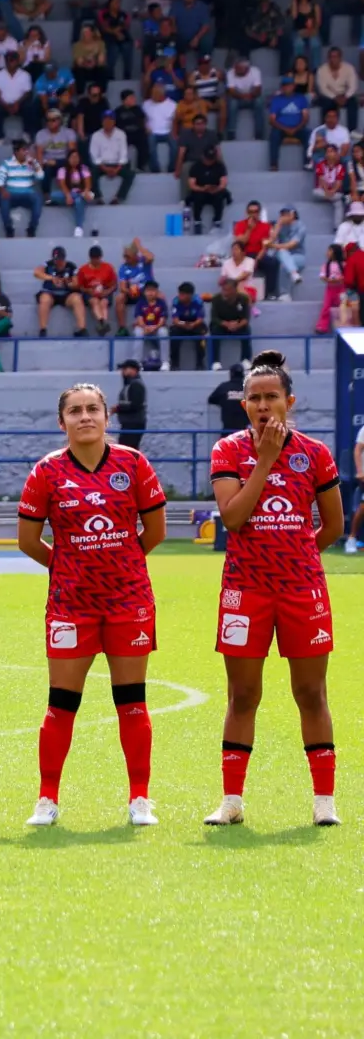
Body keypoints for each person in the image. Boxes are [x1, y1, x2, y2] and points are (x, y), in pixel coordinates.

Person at [16, 384, 168, 828]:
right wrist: (68, 566)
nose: (85, 417)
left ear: (107, 417)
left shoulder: (133, 464)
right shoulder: (46, 472)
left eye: (93, 409)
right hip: (70, 606)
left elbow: (154, 532)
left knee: (132, 702)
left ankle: (140, 798)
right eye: (75, 411)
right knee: (61, 704)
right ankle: (47, 799)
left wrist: (119, 564)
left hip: (129, 602)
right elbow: (28, 541)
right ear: (61, 420)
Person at [205, 352, 343, 827]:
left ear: (290, 401)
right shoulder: (228, 452)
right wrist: (263, 461)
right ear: (244, 405)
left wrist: (295, 558)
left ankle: (324, 800)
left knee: (311, 692)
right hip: (245, 592)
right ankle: (231, 802)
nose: (264, 406)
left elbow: (332, 526)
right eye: (256, 398)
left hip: (302, 590)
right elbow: (233, 518)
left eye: (273, 397)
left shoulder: (316, 454)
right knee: (243, 695)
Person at [115, 359, 147, 448]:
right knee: (127, 450)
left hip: (133, 424)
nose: (122, 372)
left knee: (128, 450)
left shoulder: (136, 385)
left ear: (133, 370)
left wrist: (118, 408)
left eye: (125, 369)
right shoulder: (130, 384)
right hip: (129, 424)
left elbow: (136, 405)